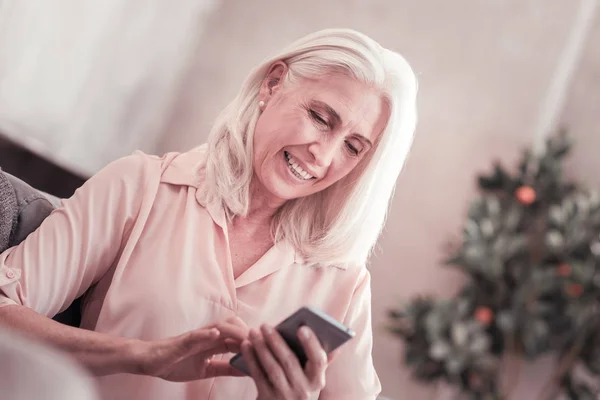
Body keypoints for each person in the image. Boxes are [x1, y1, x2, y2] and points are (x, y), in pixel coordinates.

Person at [0, 28, 417, 399]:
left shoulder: (343, 284)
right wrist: (144, 357)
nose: (324, 156)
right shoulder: (140, 186)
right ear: (273, 84)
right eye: (320, 118)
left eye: (352, 147)